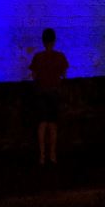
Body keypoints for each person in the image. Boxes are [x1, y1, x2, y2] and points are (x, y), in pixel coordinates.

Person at [29, 28, 69, 166]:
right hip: (54, 93)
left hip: (41, 93)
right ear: (54, 40)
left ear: (43, 41)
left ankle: (41, 155)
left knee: (42, 125)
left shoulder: (38, 57)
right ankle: (52, 155)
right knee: (53, 125)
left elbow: (34, 76)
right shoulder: (60, 57)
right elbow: (64, 75)